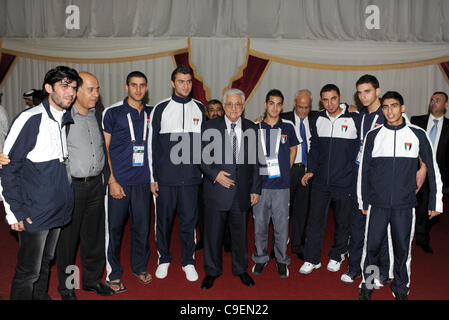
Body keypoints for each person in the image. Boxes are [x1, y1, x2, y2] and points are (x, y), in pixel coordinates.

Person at [0, 66, 79, 300]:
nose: (71, 92)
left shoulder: (63, 118)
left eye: (73, 87)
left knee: (46, 262)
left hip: (56, 208)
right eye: (64, 86)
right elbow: (8, 168)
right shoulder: (30, 119)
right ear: (48, 88)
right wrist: (14, 213)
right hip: (34, 210)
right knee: (28, 272)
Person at [357, 91, 442, 300]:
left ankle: (401, 287)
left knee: (403, 249)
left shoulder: (417, 134)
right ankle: (368, 284)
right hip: (378, 203)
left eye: (394, 106)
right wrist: (363, 199)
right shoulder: (373, 135)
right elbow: (364, 171)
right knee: (372, 246)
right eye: (385, 106)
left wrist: (435, 201)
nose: (389, 111)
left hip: (405, 205)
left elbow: (432, 168)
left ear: (402, 108)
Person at [56, 72, 114, 299]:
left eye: (97, 89)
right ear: (76, 91)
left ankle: (91, 281)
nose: (96, 94)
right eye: (91, 90)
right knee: (68, 242)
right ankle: (68, 287)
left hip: (96, 187)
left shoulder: (98, 113)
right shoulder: (62, 117)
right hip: (73, 188)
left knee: (94, 239)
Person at [200, 88, 261, 289]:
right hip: (217, 189)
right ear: (224, 106)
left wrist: (255, 189)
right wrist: (215, 174)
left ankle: (240, 269)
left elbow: (256, 162)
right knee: (212, 235)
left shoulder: (252, 127)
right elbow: (200, 157)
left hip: (242, 192)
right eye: (229, 104)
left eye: (237, 104)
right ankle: (211, 271)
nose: (233, 108)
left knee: (240, 235)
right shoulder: (209, 126)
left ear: (243, 107)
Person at [149, 64, 204, 282]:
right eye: (181, 81)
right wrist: (153, 177)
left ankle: (188, 261)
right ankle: (164, 258)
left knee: (189, 222)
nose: (185, 85)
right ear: (173, 83)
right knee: (163, 221)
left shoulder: (200, 108)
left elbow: (205, 146)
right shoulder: (161, 108)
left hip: (191, 179)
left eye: (189, 81)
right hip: (166, 179)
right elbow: (151, 145)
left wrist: (201, 174)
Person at [299, 84, 359, 275]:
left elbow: (359, 147)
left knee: (343, 221)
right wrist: (311, 169)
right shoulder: (316, 118)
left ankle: (337, 255)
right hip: (321, 181)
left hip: (344, 181)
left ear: (339, 97)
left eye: (333, 98)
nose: (330, 103)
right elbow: (314, 147)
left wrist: (353, 172)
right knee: (315, 220)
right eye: (325, 100)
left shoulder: (355, 118)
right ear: (321, 101)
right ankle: (311, 258)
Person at [102, 71, 153, 293]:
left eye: (142, 85)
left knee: (141, 228)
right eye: (134, 85)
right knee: (113, 230)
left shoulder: (152, 113)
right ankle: (112, 273)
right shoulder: (112, 112)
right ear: (127, 87)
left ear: (146, 88)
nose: (138, 89)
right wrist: (111, 180)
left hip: (142, 182)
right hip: (119, 182)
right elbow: (104, 148)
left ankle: (139, 266)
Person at [341, 74, 392, 285]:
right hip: (358, 179)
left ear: (377, 92)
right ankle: (354, 268)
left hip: (379, 183)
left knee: (377, 230)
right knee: (356, 227)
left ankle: (376, 273)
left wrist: (423, 167)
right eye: (360, 92)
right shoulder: (360, 116)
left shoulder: (389, 116)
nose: (363, 96)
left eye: (367, 91)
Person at [252, 89, 298, 278]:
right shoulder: (255, 128)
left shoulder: (288, 127)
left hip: (281, 186)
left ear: (282, 106)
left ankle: (281, 260)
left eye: (279, 104)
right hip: (260, 187)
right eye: (272, 103)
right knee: (260, 226)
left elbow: (294, 149)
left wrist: (285, 168)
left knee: (281, 227)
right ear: (265, 104)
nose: (275, 107)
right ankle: (261, 259)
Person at [279, 89, 317, 261]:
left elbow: (339, 108)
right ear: (294, 103)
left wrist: (350, 107)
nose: (303, 111)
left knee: (302, 210)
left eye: (306, 107)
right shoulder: (284, 118)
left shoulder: (316, 119)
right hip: (289, 169)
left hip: (307, 171)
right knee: (282, 209)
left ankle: (298, 245)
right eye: (300, 107)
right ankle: (279, 244)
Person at [411, 91, 449, 254]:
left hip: (436, 174)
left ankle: (422, 238)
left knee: (427, 207)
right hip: (415, 171)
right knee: (408, 205)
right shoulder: (416, 121)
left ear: (445, 105)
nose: (434, 103)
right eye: (432, 100)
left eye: (438, 100)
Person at [196, 99, 227, 251]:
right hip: (204, 177)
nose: (215, 112)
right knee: (203, 211)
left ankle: (227, 241)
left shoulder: (230, 128)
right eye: (211, 110)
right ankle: (204, 239)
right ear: (207, 113)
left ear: (223, 111)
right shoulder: (201, 129)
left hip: (225, 176)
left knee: (227, 211)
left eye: (218, 109)